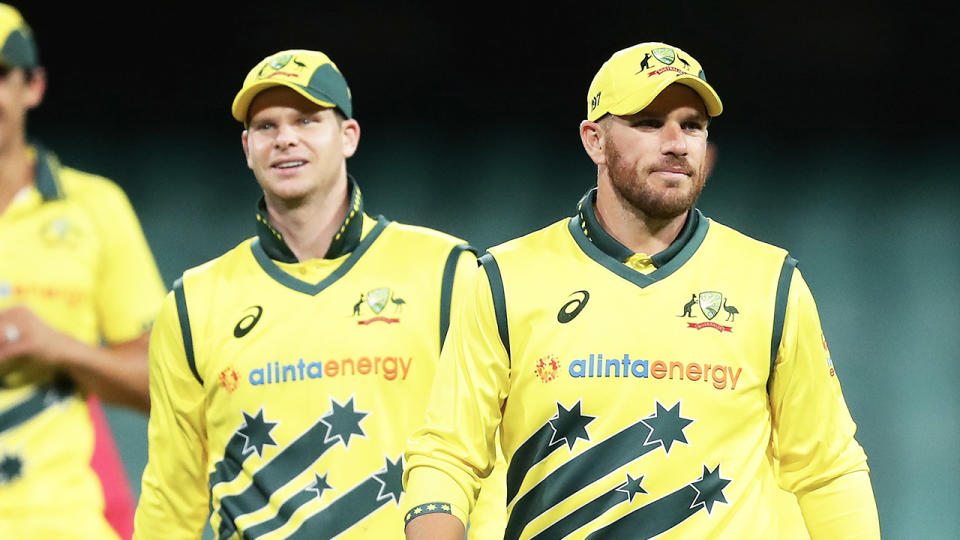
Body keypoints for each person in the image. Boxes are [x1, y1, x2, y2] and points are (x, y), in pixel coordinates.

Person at [403, 42, 881, 539]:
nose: (676, 142)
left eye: (692, 125)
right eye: (650, 123)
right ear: (594, 140)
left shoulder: (771, 282)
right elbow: (447, 456)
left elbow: (828, 469)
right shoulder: (507, 279)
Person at [133, 49, 504, 539]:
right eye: (266, 126)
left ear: (348, 136)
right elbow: (170, 496)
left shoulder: (446, 272)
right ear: (247, 147)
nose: (285, 137)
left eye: (306, 120)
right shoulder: (193, 302)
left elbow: (491, 463)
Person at [0, 4, 166, 539]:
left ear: (33, 86)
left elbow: (164, 384)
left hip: (63, 525)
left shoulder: (94, 207)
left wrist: (58, 347)